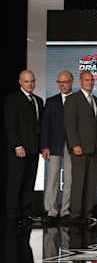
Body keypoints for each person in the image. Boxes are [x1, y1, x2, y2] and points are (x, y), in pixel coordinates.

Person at [4, 70, 44, 225]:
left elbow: (38, 126)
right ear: (20, 82)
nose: (30, 84)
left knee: (29, 182)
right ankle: (13, 215)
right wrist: (17, 145)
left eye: (32, 81)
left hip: (34, 149)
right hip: (19, 150)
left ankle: (26, 213)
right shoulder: (13, 99)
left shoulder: (38, 101)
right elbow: (11, 124)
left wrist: (41, 147)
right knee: (15, 182)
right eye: (27, 81)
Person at [64, 71, 97, 225]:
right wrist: (75, 144)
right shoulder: (73, 99)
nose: (89, 82)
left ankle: (87, 213)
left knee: (91, 182)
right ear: (80, 82)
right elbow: (70, 125)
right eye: (86, 80)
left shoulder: (95, 100)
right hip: (79, 148)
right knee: (78, 181)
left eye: (91, 80)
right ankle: (76, 214)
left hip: (93, 148)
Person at [40, 70, 73, 224]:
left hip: (73, 145)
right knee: (52, 178)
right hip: (54, 145)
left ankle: (65, 210)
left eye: (65, 82)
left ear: (72, 82)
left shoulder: (77, 100)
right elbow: (45, 126)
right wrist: (44, 146)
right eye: (59, 82)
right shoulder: (51, 101)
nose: (62, 85)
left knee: (69, 179)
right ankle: (51, 211)